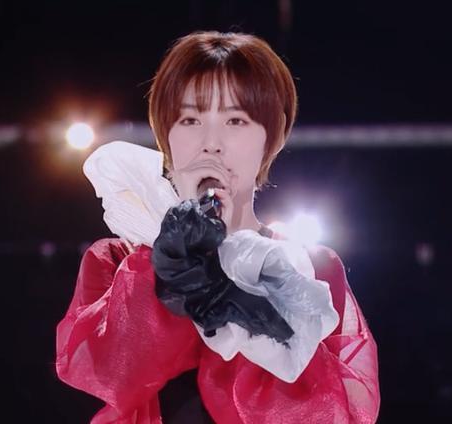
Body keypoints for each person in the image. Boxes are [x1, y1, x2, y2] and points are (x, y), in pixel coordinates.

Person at [56, 30, 380, 423]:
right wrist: (168, 271)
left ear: (273, 135)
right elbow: (109, 374)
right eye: (190, 119)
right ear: (165, 134)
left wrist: (239, 301)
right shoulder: (119, 260)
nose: (211, 143)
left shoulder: (307, 270)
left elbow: (324, 415)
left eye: (235, 120)